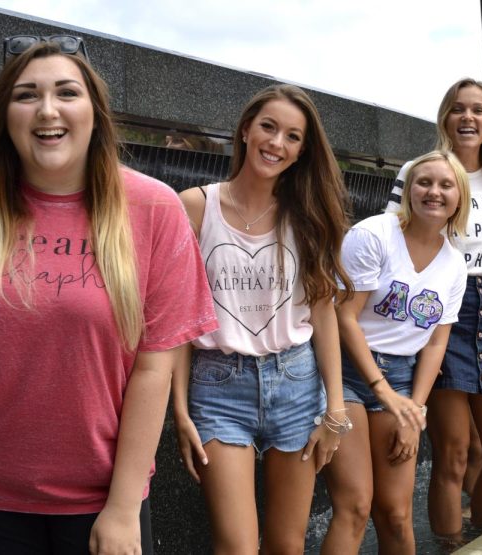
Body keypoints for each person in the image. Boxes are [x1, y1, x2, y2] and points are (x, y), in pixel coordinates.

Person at [0, 38, 218, 555]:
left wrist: (124, 507)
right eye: (26, 95)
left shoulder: (153, 208)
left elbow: (154, 368)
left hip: (105, 504)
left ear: (95, 113)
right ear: (4, 115)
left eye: (67, 92)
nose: (48, 110)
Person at [172, 84, 353, 554]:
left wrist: (335, 407)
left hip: (295, 381)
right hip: (217, 385)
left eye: (292, 137)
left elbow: (323, 311)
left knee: (286, 546)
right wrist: (177, 409)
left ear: (301, 152)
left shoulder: (307, 214)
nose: (277, 143)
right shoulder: (194, 206)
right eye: (269, 127)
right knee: (236, 546)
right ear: (247, 130)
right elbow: (173, 318)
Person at [387, 77, 482, 539]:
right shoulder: (421, 169)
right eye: (458, 108)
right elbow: (395, 238)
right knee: (451, 455)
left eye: (479, 110)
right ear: (445, 117)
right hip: (440, 306)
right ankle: (452, 546)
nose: (468, 117)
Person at [322, 151, 469, 554]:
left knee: (396, 514)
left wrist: (415, 412)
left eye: (445, 185)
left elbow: (438, 341)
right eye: (424, 182)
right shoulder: (374, 235)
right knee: (354, 506)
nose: (433, 192)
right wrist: (383, 391)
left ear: (460, 196)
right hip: (347, 372)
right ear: (408, 190)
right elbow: (344, 315)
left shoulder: (455, 264)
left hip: (404, 378)